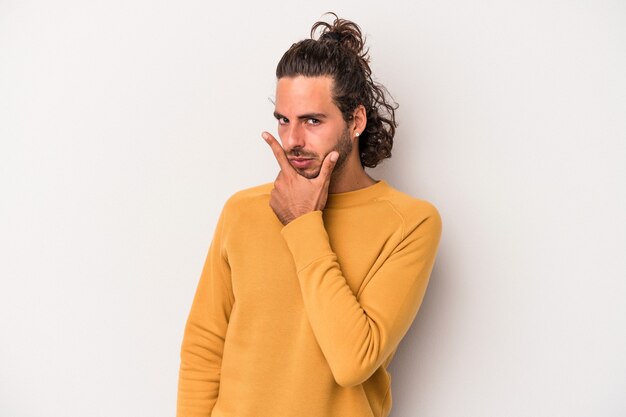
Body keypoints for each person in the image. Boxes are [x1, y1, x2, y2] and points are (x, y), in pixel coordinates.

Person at [176, 12, 442, 417]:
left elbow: (353, 361)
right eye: (284, 120)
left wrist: (303, 224)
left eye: (312, 121)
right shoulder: (242, 211)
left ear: (356, 120)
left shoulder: (410, 224)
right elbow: (204, 347)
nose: (292, 140)